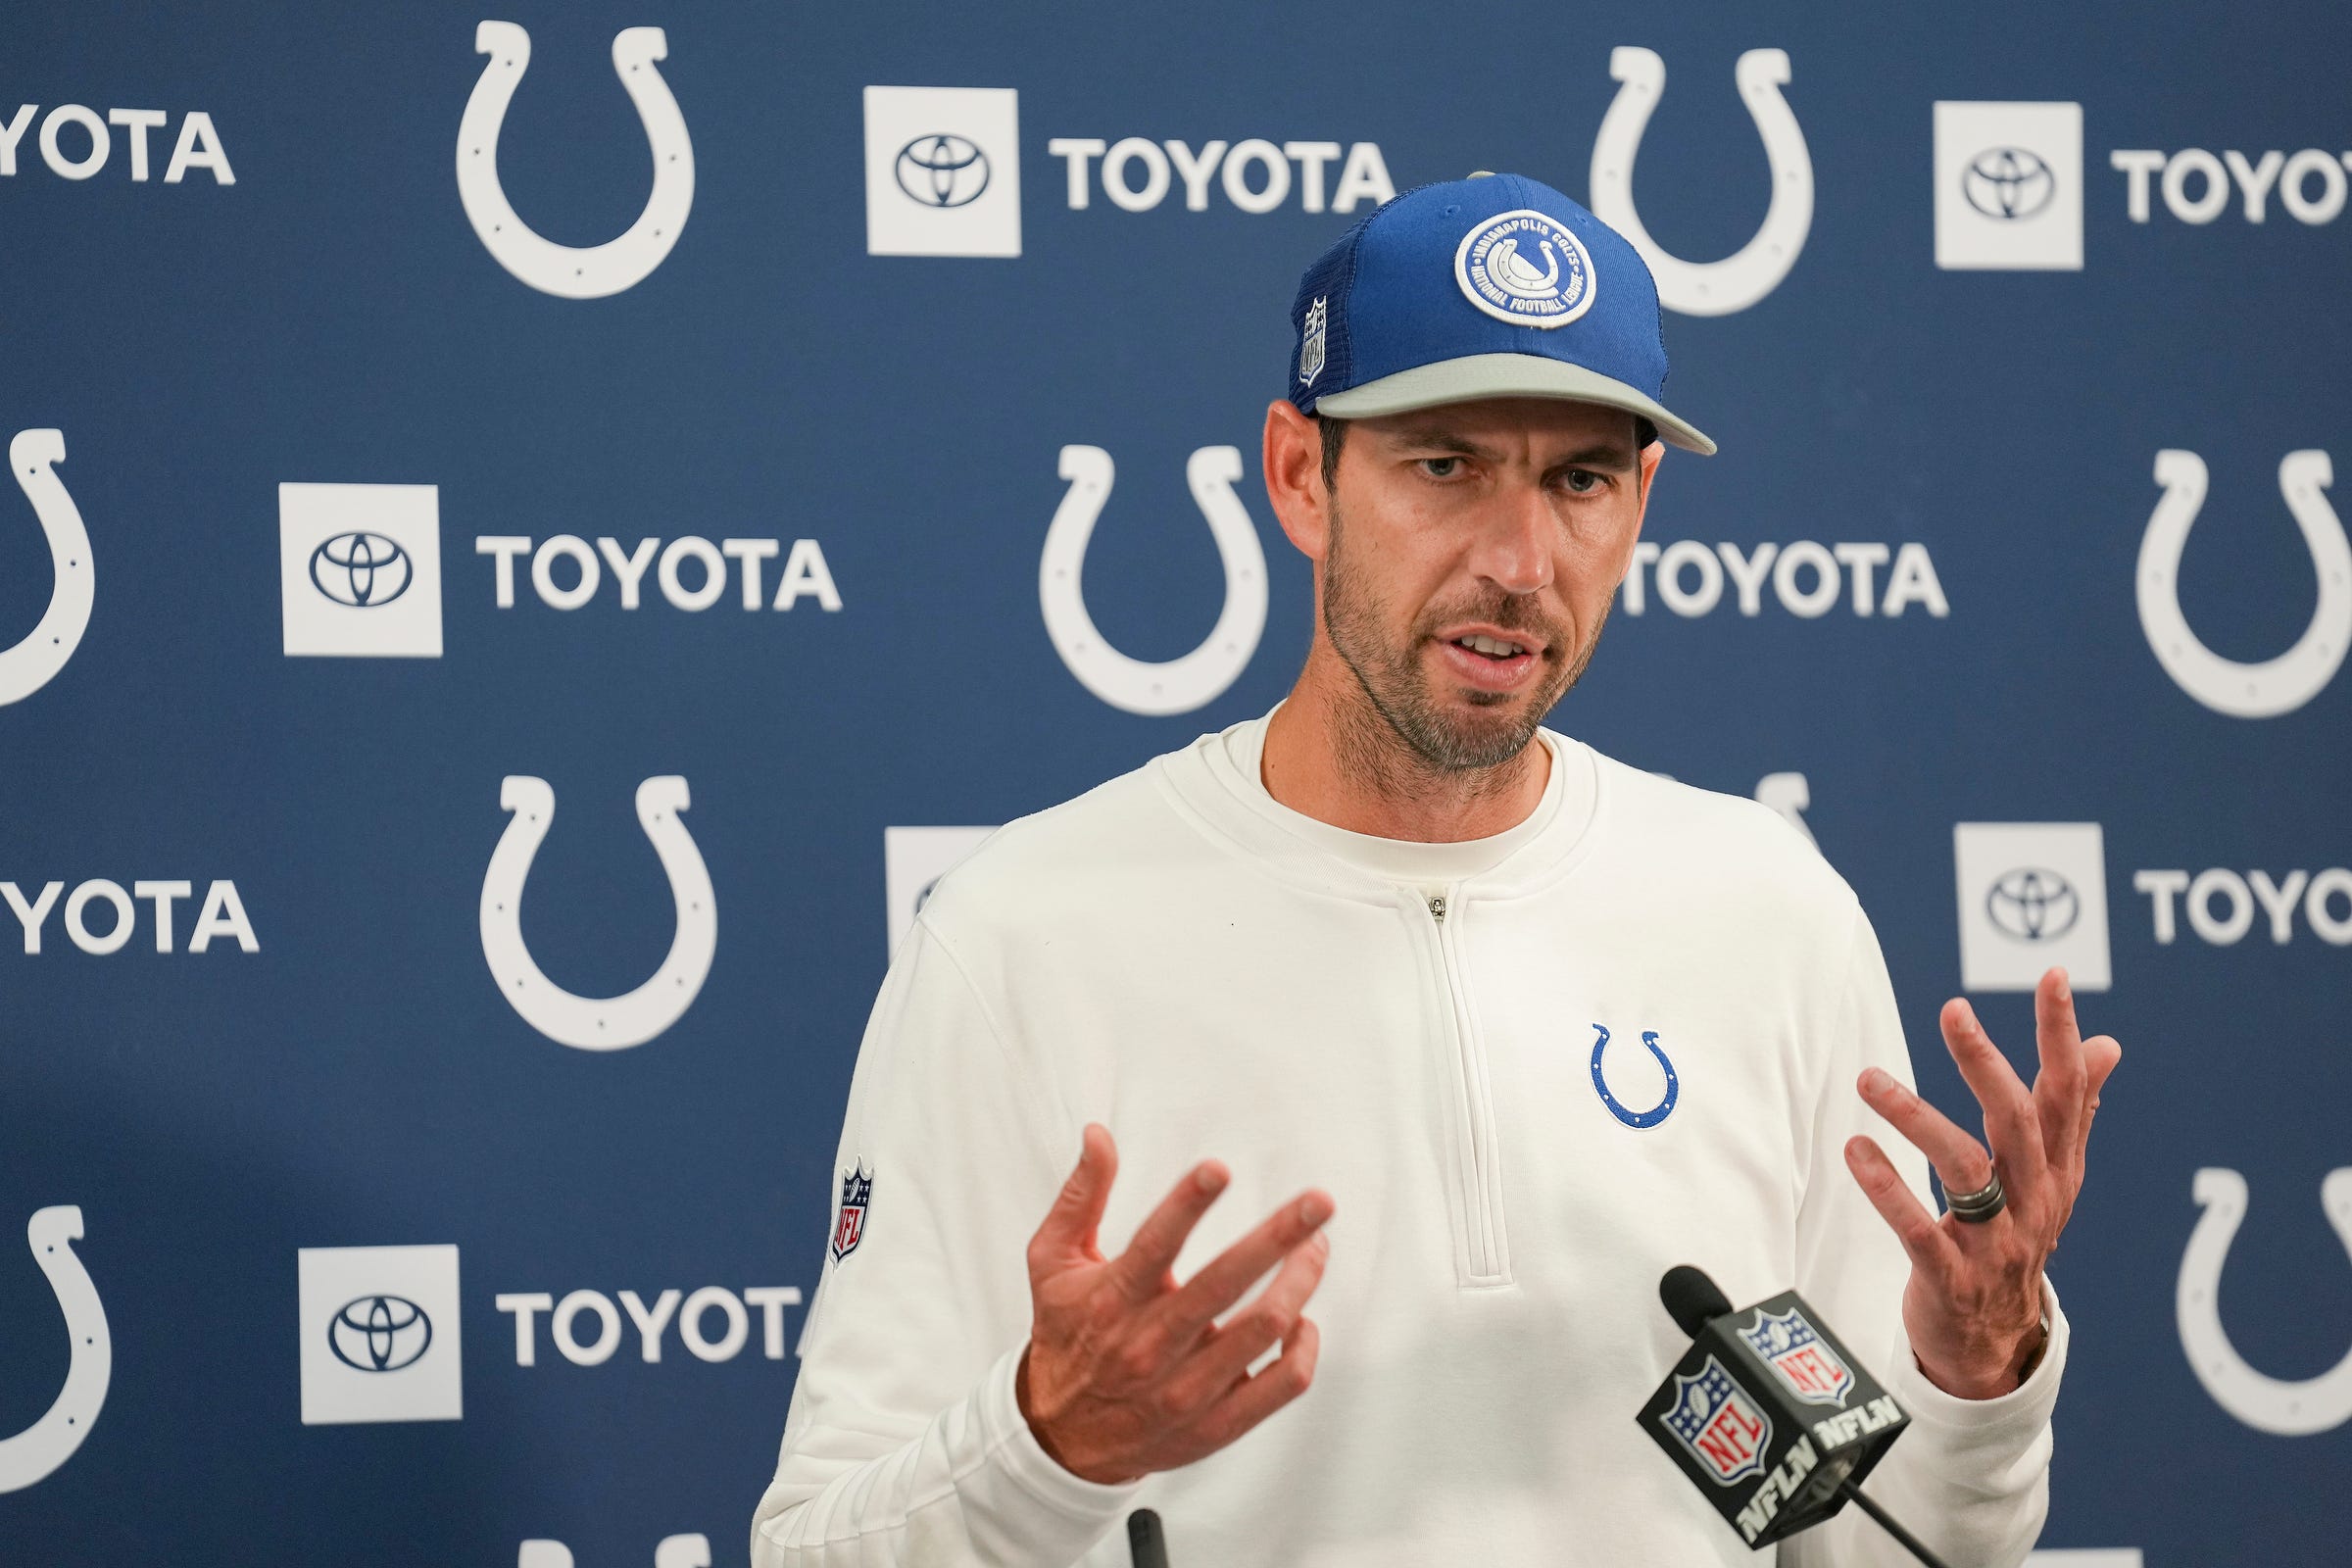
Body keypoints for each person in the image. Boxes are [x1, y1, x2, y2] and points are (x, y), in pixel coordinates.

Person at [750, 172, 2123, 1567]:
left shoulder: (1771, 912)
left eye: (1580, 480)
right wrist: (1048, 1449)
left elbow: (1898, 1548)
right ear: (1302, 476)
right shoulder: (1022, 935)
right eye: (1445, 466)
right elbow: (814, 1547)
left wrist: (1979, 1373)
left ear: (1640, 501)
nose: (1520, 562)